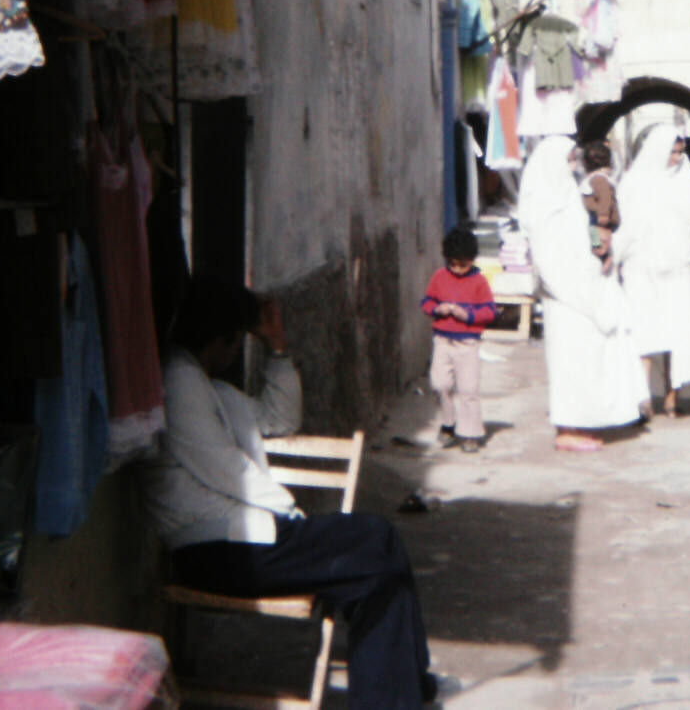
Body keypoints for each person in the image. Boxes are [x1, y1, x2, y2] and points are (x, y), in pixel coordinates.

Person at [139, 276, 438, 709]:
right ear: (221, 336)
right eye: (239, 338)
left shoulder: (207, 386)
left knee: (376, 560)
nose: (238, 349)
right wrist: (291, 514)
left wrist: (278, 349)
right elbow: (226, 470)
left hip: (243, 538)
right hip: (215, 549)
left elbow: (278, 419)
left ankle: (409, 683)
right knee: (375, 545)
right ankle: (401, 689)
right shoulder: (178, 379)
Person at [517, 136, 649, 451]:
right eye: (570, 160)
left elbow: (585, 233)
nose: (575, 166)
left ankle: (583, 423)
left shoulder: (566, 198)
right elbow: (553, 263)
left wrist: (600, 254)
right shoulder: (546, 208)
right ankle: (568, 428)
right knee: (570, 364)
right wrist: (585, 288)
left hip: (584, 292)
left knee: (587, 361)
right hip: (569, 300)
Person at [613, 125, 690, 417]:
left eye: (681, 152)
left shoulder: (686, 179)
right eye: (672, 152)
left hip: (677, 269)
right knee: (643, 333)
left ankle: (672, 396)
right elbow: (627, 225)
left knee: (677, 332)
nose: (677, 158)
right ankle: (641, 396)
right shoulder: (634, 182)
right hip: (641, 268)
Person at [421, 228, 497, 453]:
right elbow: (426, 302)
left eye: (463, 265)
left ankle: (470, 433)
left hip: (467, 343)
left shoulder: (479, 281)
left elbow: (490, 311)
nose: (458, 269)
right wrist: (437, 308)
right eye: (453, 264)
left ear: (472, 261)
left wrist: (470, 316)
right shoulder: (439, 277)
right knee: (439, 384)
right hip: (443, 340)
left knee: (468, 389)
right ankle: (448, 423)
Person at [579, 139, 621, 273]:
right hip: (597, 216)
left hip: (598, 216)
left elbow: (605, 196)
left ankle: (603, 255)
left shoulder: (598, 178)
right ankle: (604, 255)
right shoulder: (596, 177)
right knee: (598, 236)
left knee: (597, 237)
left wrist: (603, 213)